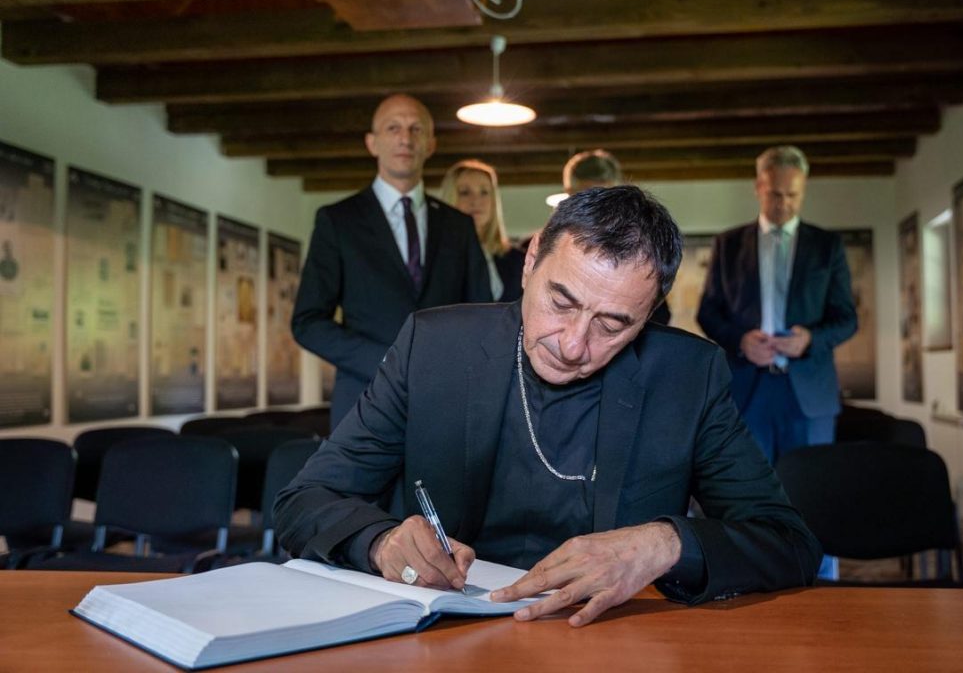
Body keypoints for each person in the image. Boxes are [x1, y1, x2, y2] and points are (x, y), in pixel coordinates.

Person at [276, 185, 821, 627]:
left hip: (609, 640)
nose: (573, 344)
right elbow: (304, 500)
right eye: (561, 301)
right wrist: (381, 542)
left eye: (613, 324)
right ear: (531, 259)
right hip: (448, 636)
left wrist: (664, 544)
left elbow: (790, 543)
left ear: (650, 312)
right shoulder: (434, 348)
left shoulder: (687, 376)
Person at [291, 94, 492, 429]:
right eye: (393, 128)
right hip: (363, 403)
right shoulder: (337, 221)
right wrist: (385, 361)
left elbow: (483, 315)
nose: (405, 138)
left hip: (447, 402)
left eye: (416, 129)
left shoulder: (458, 226)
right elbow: (307, 322)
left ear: (431, 144)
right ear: (372, 143)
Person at [697, 146, 857, 464]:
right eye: (775, 194)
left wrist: (809, 339)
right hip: (745, 390)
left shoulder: (827, 246)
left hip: (808, 394)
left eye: (792, 195)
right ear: (759, 187)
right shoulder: (728, 245)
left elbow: (847, 319)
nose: (784, 203)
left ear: (804, 189)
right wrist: (740, 341)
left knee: (810, 487)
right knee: (746, 488)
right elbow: (708, 312)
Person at [559, 149, 671, 325]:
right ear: (570, 193)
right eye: (586, 199)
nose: (596, 209)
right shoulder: (545, 245)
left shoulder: (642, 252)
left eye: (605, 198)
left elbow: (657, 318)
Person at [440, 159, 525, 302]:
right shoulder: (436, 260)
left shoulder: (518, 260)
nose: (476, 201)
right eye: (465, 192)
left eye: (484, 192)